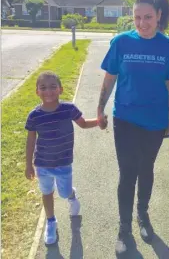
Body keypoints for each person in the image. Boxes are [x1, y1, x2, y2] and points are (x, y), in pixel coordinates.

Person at [97, 0, 169, 255]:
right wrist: (100, 108)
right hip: (126, 119)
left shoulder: (168, 47)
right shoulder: (121, 42)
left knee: (147, 169)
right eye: (136, 18)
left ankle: (142, 216)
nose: (142, 23)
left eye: (147, 17)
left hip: (155, 121)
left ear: (158, 16)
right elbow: (109, 78)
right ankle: (124, 228)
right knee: (127, 172)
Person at [25, 71, 107, 245]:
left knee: (63, 192)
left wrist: (99, 122)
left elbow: (83, 124)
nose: (48, 91)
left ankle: (71, 195)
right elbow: (31, 140)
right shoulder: (34, 116)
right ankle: (51, 222)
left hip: (63, 163)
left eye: (53, 87)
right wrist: (28, 165)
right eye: (43, 87)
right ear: (37, 91)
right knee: (46, 192)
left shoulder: (69, 109)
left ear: (61, 89)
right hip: (42, 165)